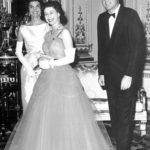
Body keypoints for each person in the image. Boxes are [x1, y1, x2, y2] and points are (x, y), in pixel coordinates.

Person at [4, 1, 114, 150]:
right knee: (46, 118)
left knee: (65, 118)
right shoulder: (48, 33)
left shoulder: (65, 32)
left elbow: (70, 58)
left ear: (58, 14)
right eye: (46, 14)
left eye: (51, 13)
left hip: (63, 77)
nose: (49, 17)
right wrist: (42, 58)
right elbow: (47, 53)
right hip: (46, 78)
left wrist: (51, 64)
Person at [97, 0, 146, 150]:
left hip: (127, 77)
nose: (106, 1)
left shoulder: (130, 15)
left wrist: (129, 75)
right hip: (110, 78)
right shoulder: (101, 18)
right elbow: (102, 48)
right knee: (116, 118)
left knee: (124, 119)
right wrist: (102, 72)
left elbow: (138, 48)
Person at [15, 0, 50, 112]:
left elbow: (53, 47)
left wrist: (47, 61)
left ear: (41, 9)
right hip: (28, 66)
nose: (34, 9)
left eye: (37, 6)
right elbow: (18, 52)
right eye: (31, 7)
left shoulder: (48, 26)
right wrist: (28, 68)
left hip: (46, 64)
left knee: (46, 100)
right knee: (30, 99)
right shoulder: (23, 28)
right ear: (28, 10)